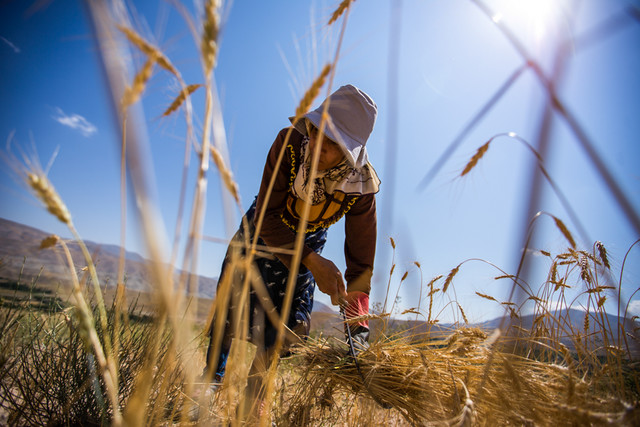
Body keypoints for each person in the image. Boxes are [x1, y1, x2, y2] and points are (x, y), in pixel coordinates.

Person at [204, 84, 380, 410]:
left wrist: (358, 329)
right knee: (230, 309)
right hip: (260, 232)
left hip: (309, 244)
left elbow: (360, 263)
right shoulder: (289, 145)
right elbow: (267, 218)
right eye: (315, 133)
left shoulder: (360, 188)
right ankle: (210, 384)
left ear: (350, 153)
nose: (316, 147)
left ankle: (251, 403)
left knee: (290, 326)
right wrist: (314, 263)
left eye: (332, 143)